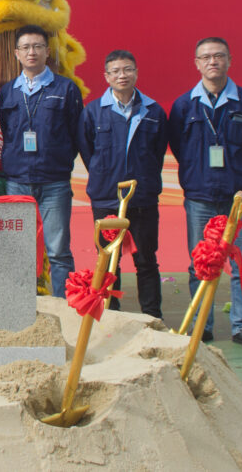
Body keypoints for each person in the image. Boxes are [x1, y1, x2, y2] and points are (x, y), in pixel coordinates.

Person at [169, 38, 242, 349]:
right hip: (200, 196)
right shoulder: (184, 105)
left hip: (238, 199)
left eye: (219, 56)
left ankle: (241, 327)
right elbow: (177, 145)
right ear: (196, 63)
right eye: (205, 57)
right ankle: (203, 325)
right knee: (199, 263)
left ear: (229, 60)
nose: (212, 61)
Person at [77, 50, 166, 318]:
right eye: (115, 71)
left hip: (142, 200)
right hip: (106, 199)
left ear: (136, 73)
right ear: (106, 76)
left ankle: (152, 317)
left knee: (146, 260)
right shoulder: (93, 112)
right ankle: (110, 314)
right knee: (108, 262)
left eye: (127, 69)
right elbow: (87, 151)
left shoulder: (154, 111)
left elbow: (157, 152)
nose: (122, 75)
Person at [0, 25, 83, 298]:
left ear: (47, 51)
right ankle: (21, 307)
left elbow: (75, 133)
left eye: (37, 47)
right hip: (17, 182)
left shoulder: (66, 89)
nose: (31, 52)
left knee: (58, 250)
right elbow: (7, 131)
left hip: (54, 181)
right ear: (16, 54)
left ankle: (64, 310)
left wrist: (57, 160)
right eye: (26, 47)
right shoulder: (9, 91)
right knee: (20, 250)